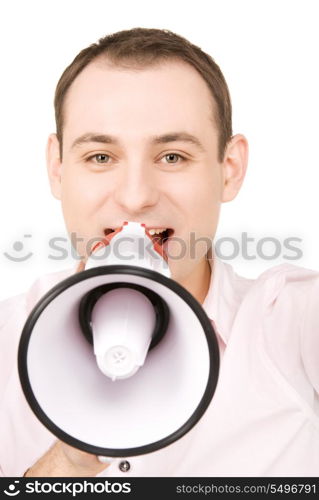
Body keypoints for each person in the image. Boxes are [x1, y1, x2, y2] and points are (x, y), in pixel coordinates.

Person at [1, 27, 319, 478]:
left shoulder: (292, 322)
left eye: (172, 157)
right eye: (100, 157)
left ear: (229, 170)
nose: (135, 198)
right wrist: (67, 463)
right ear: (57, 169)